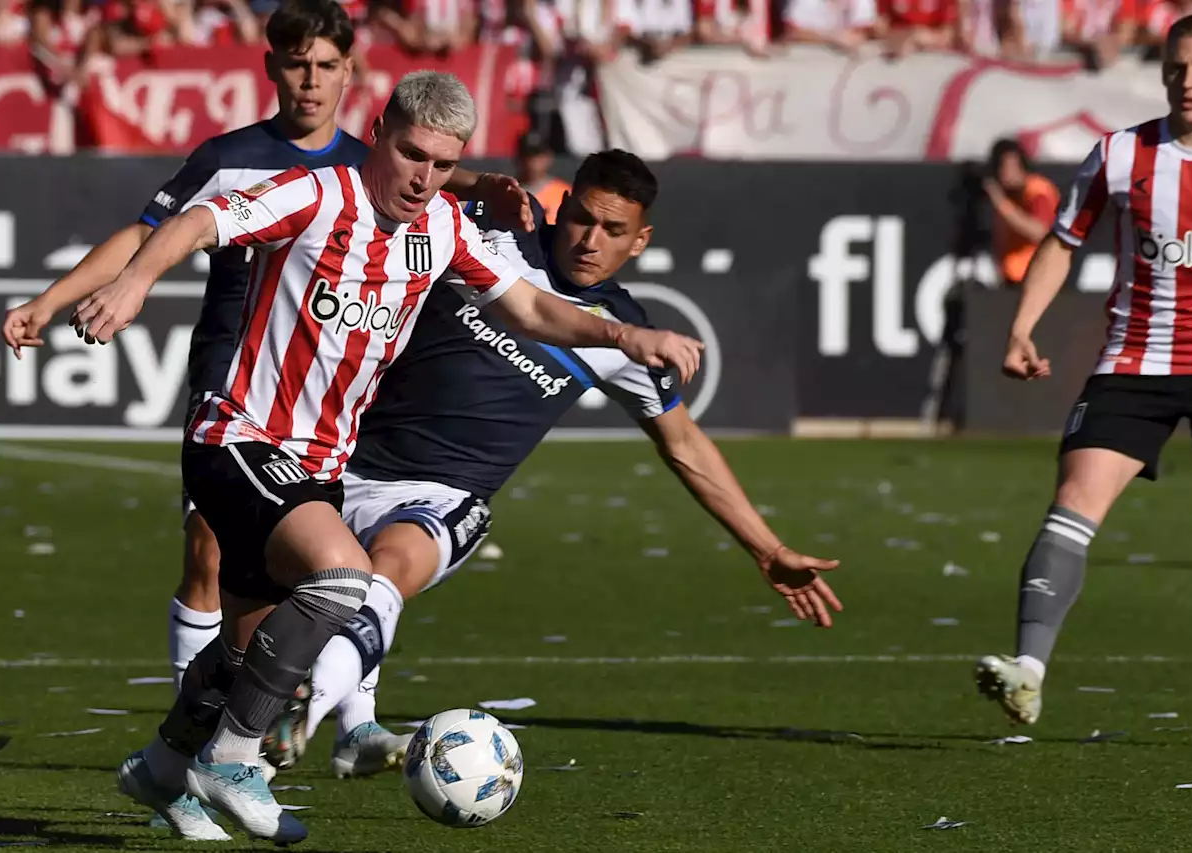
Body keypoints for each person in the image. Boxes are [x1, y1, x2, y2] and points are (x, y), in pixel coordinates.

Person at [73, 71, 702, 845]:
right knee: (342, 578)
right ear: (379, 132)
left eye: (443, 164)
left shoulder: (442, 228)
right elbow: (201, 220)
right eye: (412, 154)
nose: (424, 178)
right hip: (239, 437)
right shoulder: (316, 194)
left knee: (242, 648)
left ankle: (164, 768)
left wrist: (625, 335)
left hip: (320, 466)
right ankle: (232, 757)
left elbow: (535, 307)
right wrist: (135, 282)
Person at [0, 0, 532, 702]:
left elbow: (437, 177)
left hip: (326, 393)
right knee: (209, 550)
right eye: (296, 62)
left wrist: (483, 183)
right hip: (233, 376)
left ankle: (313, 715)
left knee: (308, 568)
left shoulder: (372, 164)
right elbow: (144, 235)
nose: (310, 80)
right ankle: (201, 720)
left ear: (351, 73)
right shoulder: (230, 159)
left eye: (326, 66)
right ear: (271, 65)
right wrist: (53, 298)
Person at [254, 150, 843, 779]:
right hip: (338, 461)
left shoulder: (623, 334)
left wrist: (766, 547)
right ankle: (350, 730)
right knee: (265, 606)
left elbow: (684, 444)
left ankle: (300, 714)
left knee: (388, 570)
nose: (591, 241)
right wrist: (485, 184)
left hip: (442, 494)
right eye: (584, 219)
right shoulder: (489, 237)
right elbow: (403, 173)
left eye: (614, 231)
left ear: (640, 241)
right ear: (561, 209)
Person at [976, 13, 1192, 727]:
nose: (1188, 81)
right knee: (1073, 501)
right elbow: (1061, 239)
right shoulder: (1119, 154)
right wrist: (1021, 326)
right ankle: (1029, 670)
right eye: (1177, 67)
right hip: (1138, 359)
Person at [983, 138, 1060, 288]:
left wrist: (1003, 205)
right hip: (1012, 277)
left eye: (1010, 166)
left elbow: (1040, 232)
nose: (1006, 172)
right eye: (1002, 167)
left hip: (1037, 278)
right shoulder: (1008, 195)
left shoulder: (1038, 191)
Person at [515, 129, 571, 224]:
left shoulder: (564, 192)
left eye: (537, 155)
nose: (533, 161)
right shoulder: (508, 191)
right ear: (518, 158)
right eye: (527, 155)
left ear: (549, 157)